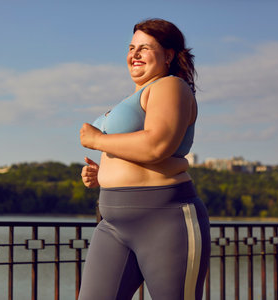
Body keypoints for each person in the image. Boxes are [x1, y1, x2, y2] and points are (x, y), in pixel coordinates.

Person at [78, 18, 210, 300]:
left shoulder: (170, 86)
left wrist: (96, 140)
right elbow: (139, 149)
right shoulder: (135, 96)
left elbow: (157, 144)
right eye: (131, 47)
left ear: (169, 55)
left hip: (164, 219)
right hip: (113, 223)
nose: (134, 54)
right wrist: (103, 173)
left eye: (145, 48)